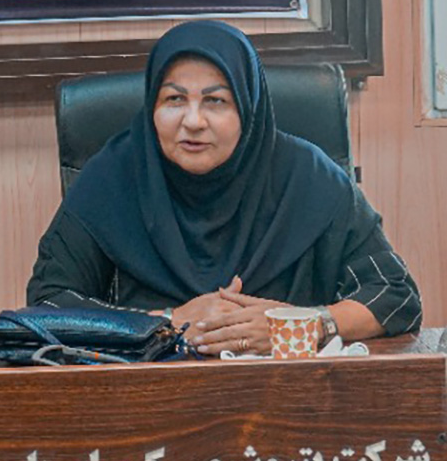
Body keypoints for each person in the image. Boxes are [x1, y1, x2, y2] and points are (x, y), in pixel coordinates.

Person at [28, 20, 421, 355]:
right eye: (174, 99)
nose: (193, 121)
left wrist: (301, 324)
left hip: (290, 396)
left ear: (247, 108)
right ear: (152, 106)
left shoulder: (308, 177)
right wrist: (167, 322)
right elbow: (47, 305)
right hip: (143, 398)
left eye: (215, 101)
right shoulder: (111, 179)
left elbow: (394, 295)